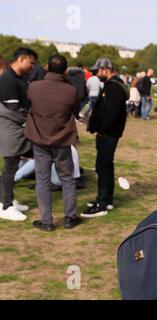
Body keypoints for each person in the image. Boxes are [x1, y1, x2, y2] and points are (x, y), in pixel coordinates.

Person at [25, 54, 82, 231]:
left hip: (40, 138)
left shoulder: (33, 87)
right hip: (62, 139)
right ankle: (70, 217)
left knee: (42, 180)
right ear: (65, 70)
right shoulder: (71, 91)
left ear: (47, 67)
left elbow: (29, 107)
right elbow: (75, 110)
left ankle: (46, 220)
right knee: (67, 179)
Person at [83, 58, 128, 217]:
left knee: (102, 166)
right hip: (108, 133)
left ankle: (102, 203)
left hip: (108, 134)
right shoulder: (112, 85)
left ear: (106, 69)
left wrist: (102, 130)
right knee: (106, 166)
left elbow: (111, 113)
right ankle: (107, 199)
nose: (96, 74)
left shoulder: (114, 87)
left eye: (98, 71)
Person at [0, 47, 37, 221]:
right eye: (31, 62)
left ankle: (7, 199)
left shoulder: (19, 78)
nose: (33, 66)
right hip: (10, 130)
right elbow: (13, 108)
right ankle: (5, 205)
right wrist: (30, 120)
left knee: (13, 167)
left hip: (18, 129)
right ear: (22, 59)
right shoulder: (7, 78)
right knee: (9, 167)